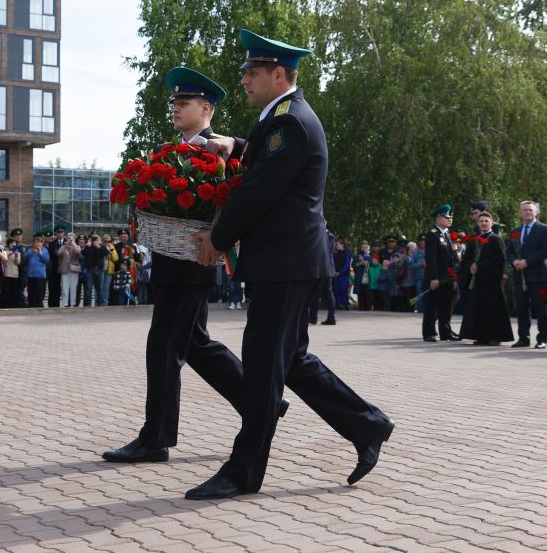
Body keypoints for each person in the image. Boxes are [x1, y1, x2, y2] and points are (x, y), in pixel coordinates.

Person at [189, 29, 392, 500]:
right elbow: (269, 161)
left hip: (284, 262)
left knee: (263, 368)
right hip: (289, 261)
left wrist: (217, 239)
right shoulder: (283, 118)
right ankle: (368, 425)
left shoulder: (289, 122)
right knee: (291, 359)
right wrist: (235, 145)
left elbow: (259, 189)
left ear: (278, 74)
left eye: (252, 72)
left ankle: (243, 472)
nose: (243, 79)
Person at [103, 65, 271, 465]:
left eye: (184, 102)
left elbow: (233, 205)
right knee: (194, 343)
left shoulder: (221, 150)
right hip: (170, 258)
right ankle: (261, 399)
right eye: (174, 103)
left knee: (163, 346)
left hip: (194, 260)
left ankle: (155, 439)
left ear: (206, 108)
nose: (175, 109)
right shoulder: (170, 153)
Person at [459, 211, 513, 345]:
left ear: (491, 223)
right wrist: (471, 265)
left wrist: (480, 266)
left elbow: (500, 260)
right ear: (478, 223)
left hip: (491, 281)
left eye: (486, 221)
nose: (483, 223)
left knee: (492, 309)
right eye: (481, 221)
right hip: (477, 280)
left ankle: (495, 337)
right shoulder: (473, 240)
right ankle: (481, 336)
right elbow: (467, 258)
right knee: (478, 308)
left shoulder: (496, 239)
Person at [507, 201, 547, 348]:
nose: (527, 212)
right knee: (521, 308)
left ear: (536, 212)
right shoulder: (515, 231)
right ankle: (523, 338)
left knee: (541, 308)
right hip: (520, 276)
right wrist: (514, 261)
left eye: (530, 210)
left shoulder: (545, 229)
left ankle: (542, 339)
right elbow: (509, 251)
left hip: (538, 276)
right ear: (520, 213)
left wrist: (527, 262)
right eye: (525, 210)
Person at [421, 206, 461, 342]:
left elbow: (451, 258)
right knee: (432, 306)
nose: (450, 220)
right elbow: (431, 259)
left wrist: (453, 277)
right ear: (438, 219)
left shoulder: (447, 235)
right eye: (446, 217)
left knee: (446, 306)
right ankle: (429, 332)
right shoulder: (432, 235)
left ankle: (446, 332)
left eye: (450, 217)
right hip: (436, 278)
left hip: (447, 278)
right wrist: (434, 278)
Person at [308, 229, 337, 325]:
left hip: (325, 268)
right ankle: (313, 318)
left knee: (327, 294)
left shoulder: (329, 236)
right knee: (316, 294)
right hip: (320, 268)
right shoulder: (322, 234)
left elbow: (326, 250)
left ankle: (331, 317)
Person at [25, 236, 50, 308]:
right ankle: (31, 306)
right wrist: (31, 253)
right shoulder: (30, 249)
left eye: (39, 242)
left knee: (39, 293)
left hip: (40, 275)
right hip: (30, 275)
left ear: (42, 243)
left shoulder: (44, 250)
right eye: (35, 242)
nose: (37, 243)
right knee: (31, 293)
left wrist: (40, 252)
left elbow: (46, 260)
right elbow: (24, 258)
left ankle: (39, 307)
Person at [57, 233, 81, 307]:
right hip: (65, 269)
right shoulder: (63, 246)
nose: (70, 239)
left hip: (74, 269)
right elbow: (59, 254)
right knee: (65, 287)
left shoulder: (77, 246)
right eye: (69, 238)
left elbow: (78, 252)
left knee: (73, 287)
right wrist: (65, 247)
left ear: (74, 238)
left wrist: (73, 244)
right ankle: (65, 303)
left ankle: (72, 303)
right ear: (66, 238)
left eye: (72, 238)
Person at [2, 236, 23, 308]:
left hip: (14, 274)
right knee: (6, 290)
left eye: (14, 244)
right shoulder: (4, 251)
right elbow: (4, 261)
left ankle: (12, 305)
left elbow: (18, 263)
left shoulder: (17, 252)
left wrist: (17, 256)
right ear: (8, 244)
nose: (13, 245)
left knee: (13, 291)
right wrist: (9, 254)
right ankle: (5, 305)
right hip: (7, 273)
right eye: (11, 243)